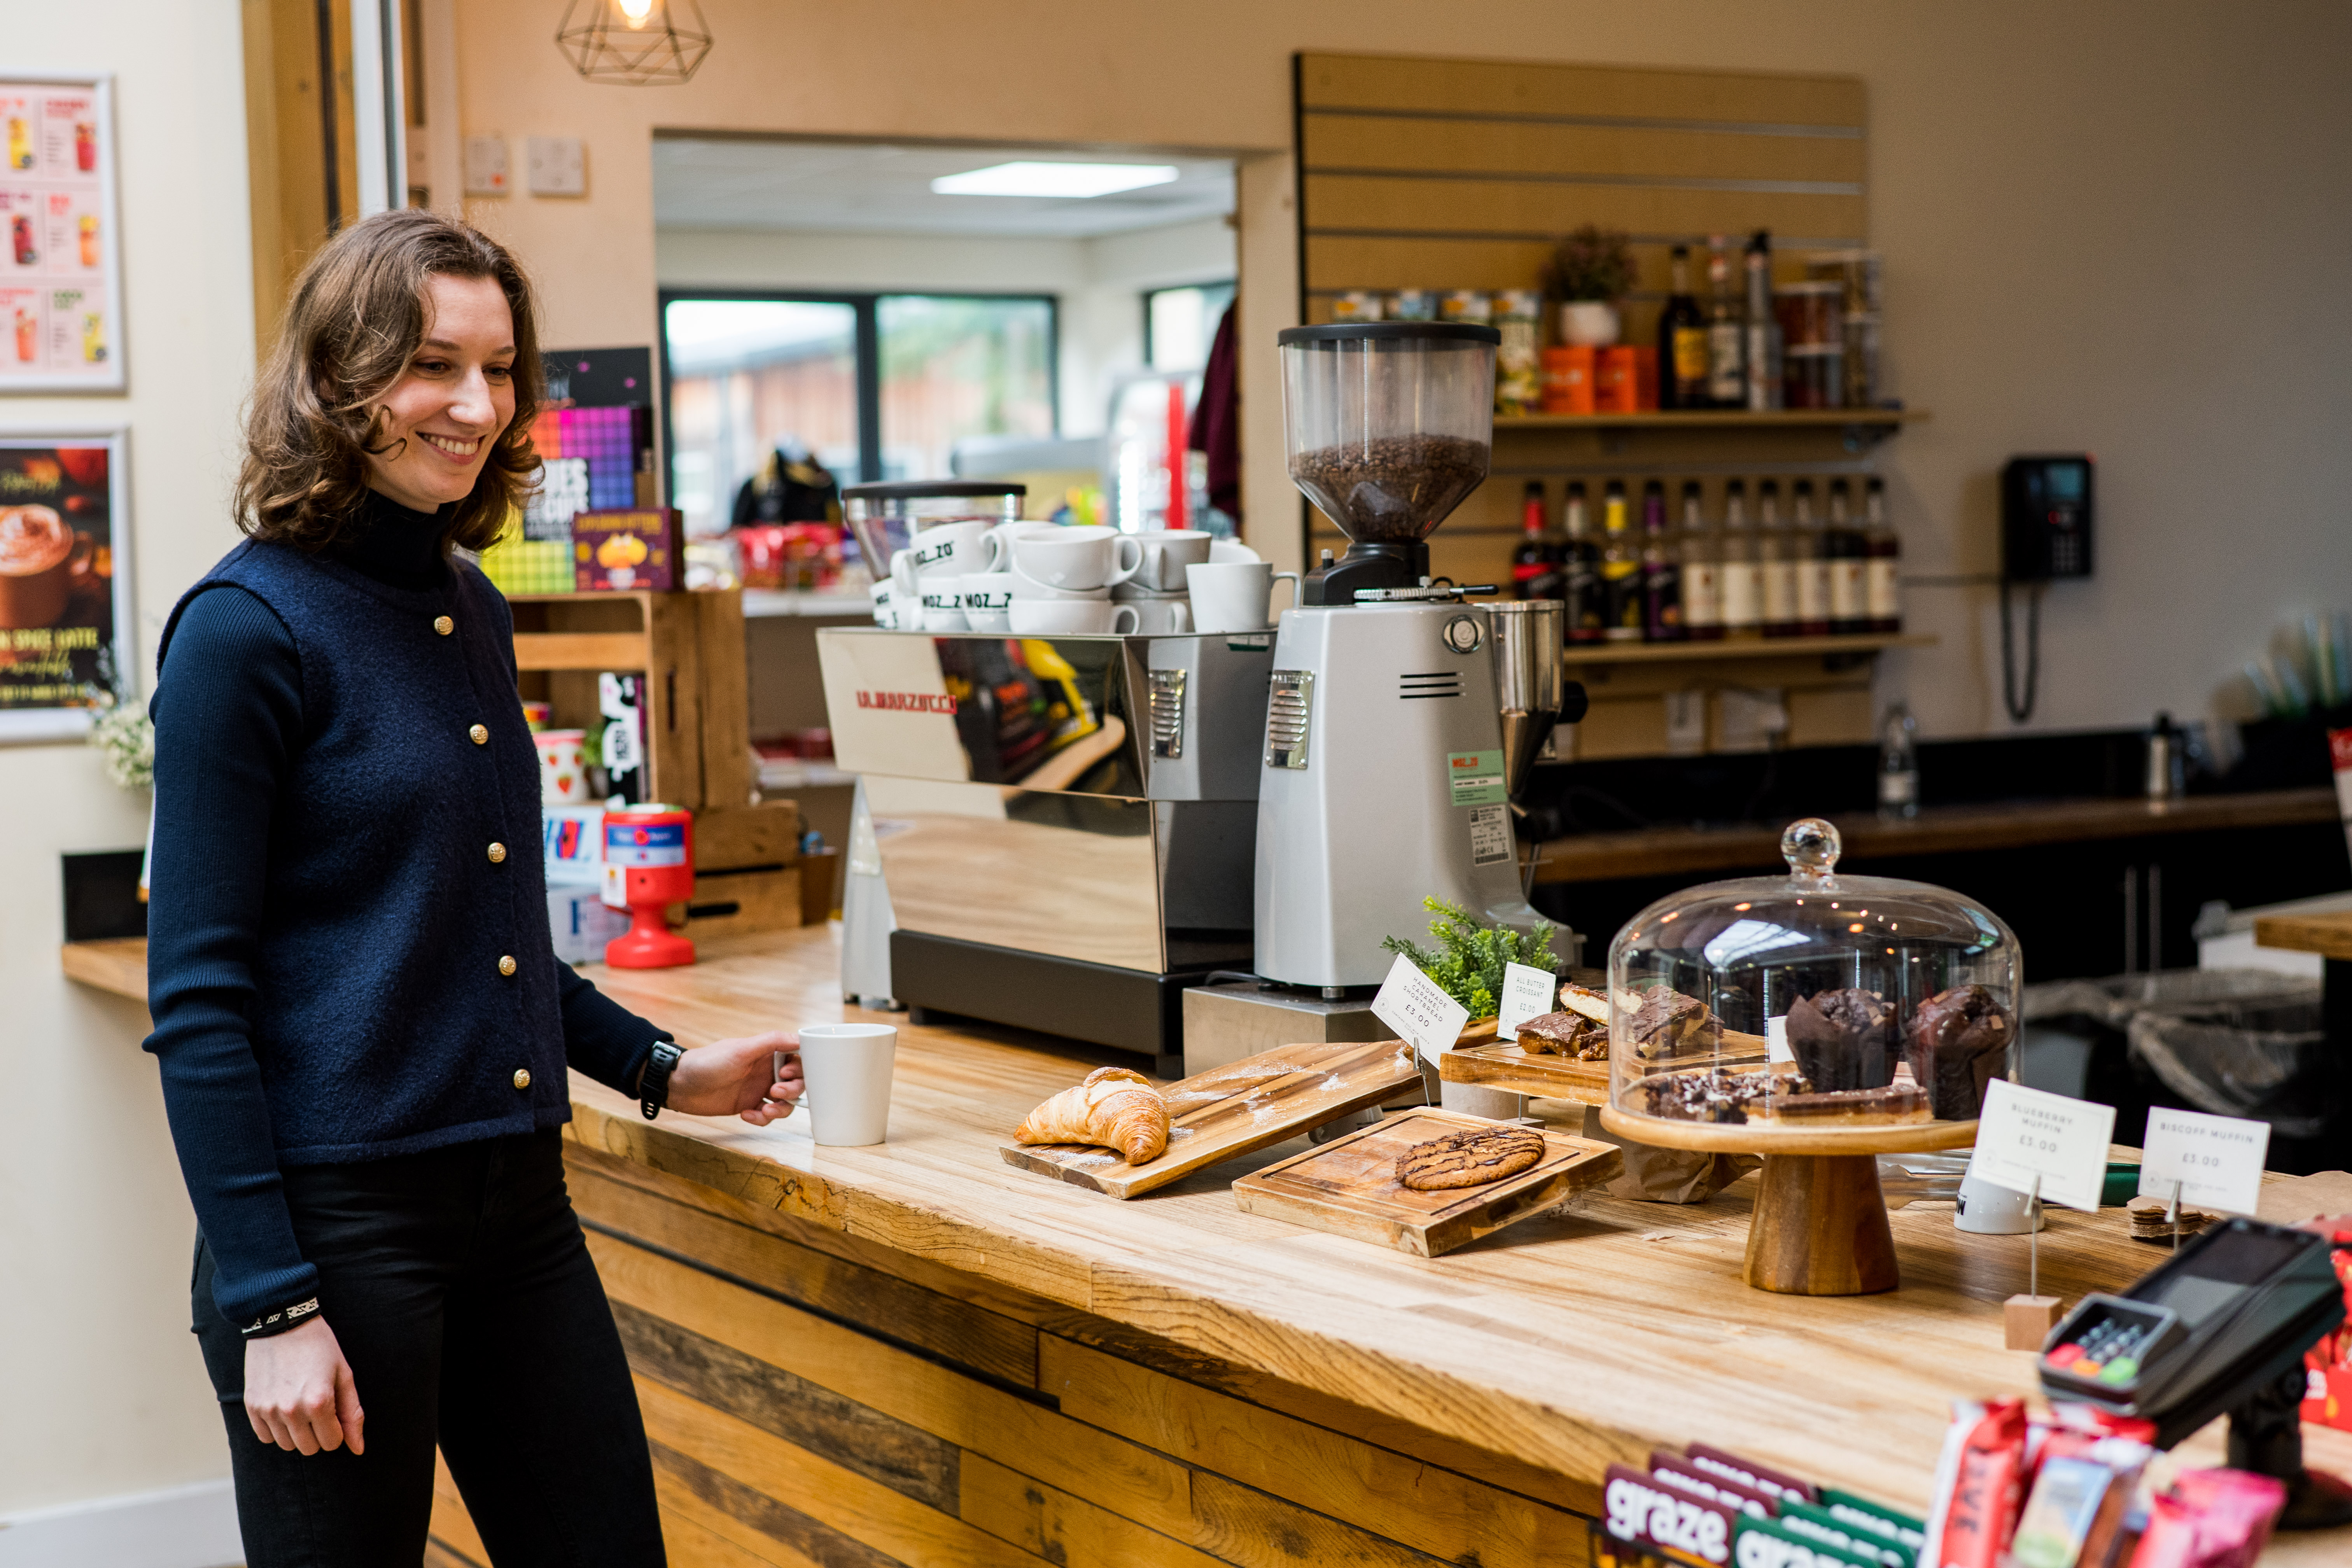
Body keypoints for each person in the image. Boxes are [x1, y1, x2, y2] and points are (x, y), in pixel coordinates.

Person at [144, 208, 804, 1567]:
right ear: (338, 379)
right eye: (433, 365)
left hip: (520, 1212)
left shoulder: (471, 604)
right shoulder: (243, 631)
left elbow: (483, 937)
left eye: (499, 370)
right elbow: (199, 1002)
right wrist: (273, 1306)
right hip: (336, 1235)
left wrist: (663, 1070)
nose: (477, 405)